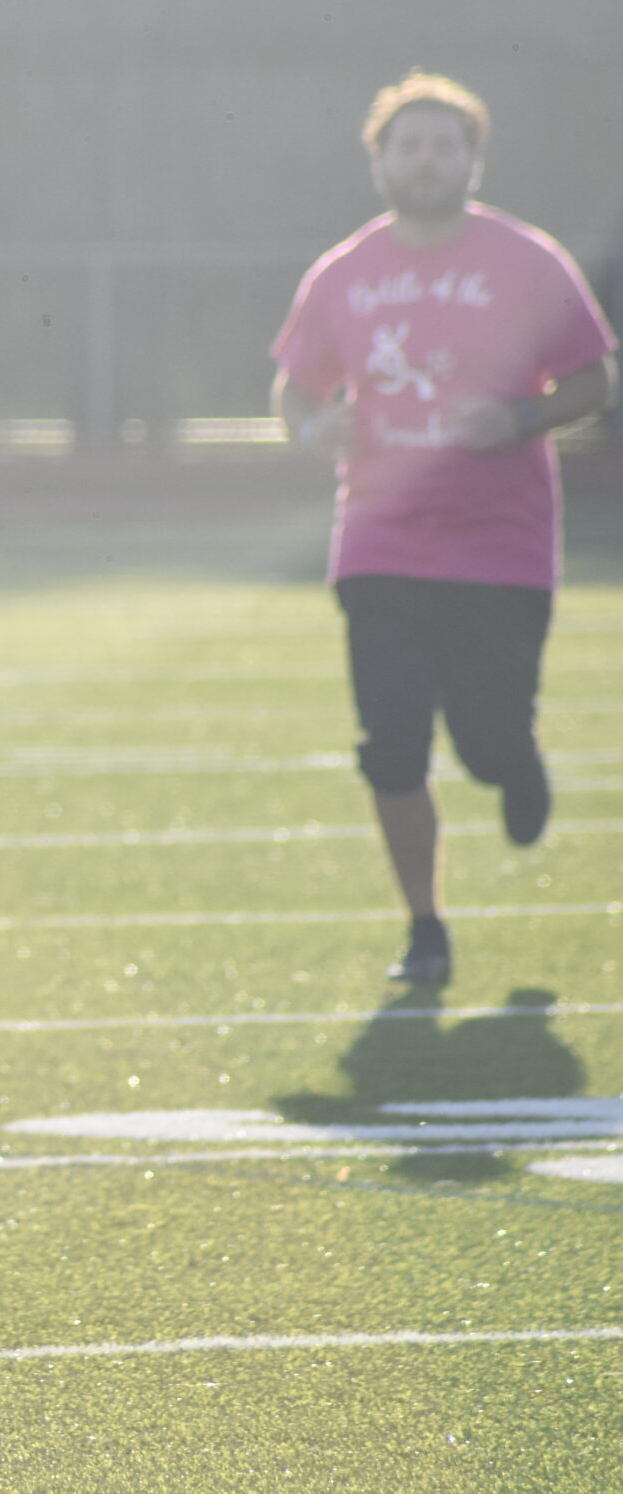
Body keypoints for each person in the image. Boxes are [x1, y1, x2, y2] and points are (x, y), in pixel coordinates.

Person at [272, 72, 616, 987]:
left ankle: (518, 761)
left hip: (500, 545)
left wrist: (519, 419)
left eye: (445, 145)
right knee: (391, 744)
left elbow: (594, 379)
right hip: (381, 541)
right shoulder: (343, 272)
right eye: (409, 144)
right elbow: (293, 389)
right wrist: (313, 428)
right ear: (380, 160)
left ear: (472, 160)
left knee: (484, 742)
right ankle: (425, 927)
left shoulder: (529, 259)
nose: (427, 160)